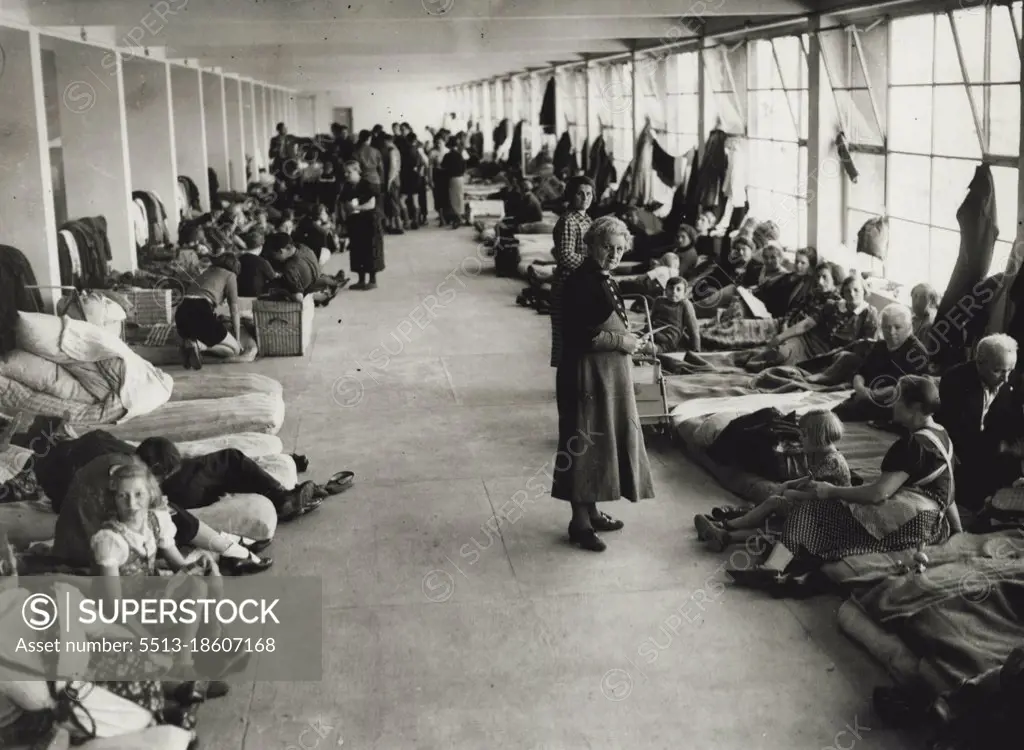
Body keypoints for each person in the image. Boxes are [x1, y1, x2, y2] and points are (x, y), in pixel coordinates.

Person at [729, 376, 962, 589]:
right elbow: (947, 489)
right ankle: (785, 558)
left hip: (911, 523)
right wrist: (957, 530)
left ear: (916, 408)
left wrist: (832, 491)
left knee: (812, 512)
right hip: (935, 528)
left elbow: (878, 494)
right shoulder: (941, 434)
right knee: (825, 518)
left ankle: (773, 569)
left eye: (898, 399)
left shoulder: (913, 446)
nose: (892, 404)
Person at [554, 216, 656, 552]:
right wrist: (620, 341)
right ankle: (579, 523)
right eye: (606, 247)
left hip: (607, 373)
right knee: (584, 443)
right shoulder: (580, 281)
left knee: (602, 442)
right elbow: (578, 334)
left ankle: (593, 510)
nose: (613, 255)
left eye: (618, 249)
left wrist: (629, 340)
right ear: (591, 245)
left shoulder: (601, 277)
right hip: (586, 373)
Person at [46, 428, 272, 576]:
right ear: (153, 470)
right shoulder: (124, 475)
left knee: (164, 511)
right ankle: (227, 547)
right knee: (167, 512)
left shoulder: (121, 461)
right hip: (85, 550)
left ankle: (225, 546)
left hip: (81, 540)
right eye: (160, 479)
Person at [694, 410, 850, 551]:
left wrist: (793, 494)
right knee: (776, 516)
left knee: (776, 510)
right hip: (816, 508)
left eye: (804, 435)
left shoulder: (832, 461)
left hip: (828, 517)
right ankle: (724, 534)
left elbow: (820, 494)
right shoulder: (818, 455)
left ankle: (726, 528)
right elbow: (812, 478)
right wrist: (791, 484)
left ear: (818, 438)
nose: (800, 438)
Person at [136, 437, 323, 523]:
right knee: (230, 459)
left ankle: (282, 495)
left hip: (179, 491)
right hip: (179, 488)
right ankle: (282, 497)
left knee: (222, 475)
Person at [936, 334, 1024, 511]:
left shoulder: (1012, 383)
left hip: (993, 451)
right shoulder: (955, 380)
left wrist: (1013, 446)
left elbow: (1013, 422)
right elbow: (955, 432)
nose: (1006, 379)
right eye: (998, 371)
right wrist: (999, 448)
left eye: (1010, 370)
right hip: (961, 453)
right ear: (979, 362)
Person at [832, 303, 931, 422]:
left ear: (909, 327)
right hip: (867, 395)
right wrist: (860, 388)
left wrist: (870, 394)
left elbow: (900, 388)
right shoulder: (880, 345)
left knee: (839, 414)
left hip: (895, 405)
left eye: (897, 327)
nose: (891, 332)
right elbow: (861, 371)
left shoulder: (917, 353)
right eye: (886, 327)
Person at [742, 261, 844, 371]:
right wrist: (785, 323)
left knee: (779, 354)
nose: (820, 281)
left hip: (803, 338)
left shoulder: (834, 302)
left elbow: (806, 325)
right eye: (818, 277)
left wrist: (783, 336)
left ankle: (749, 362)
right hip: (786, 326)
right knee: (747, 326)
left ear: (834, 279)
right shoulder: (814, 293)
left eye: (825, 277)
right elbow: (794, 310)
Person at [549, 176, 596, 368]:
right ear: (571, 195)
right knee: (566, 339)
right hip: (568, 284)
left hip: (580, 282)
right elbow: (566, 256)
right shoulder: (569, 220)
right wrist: (593, 264)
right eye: (580, 193)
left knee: (577, 336)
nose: (585, 197)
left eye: (589, 193)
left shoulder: (586, 219)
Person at [174, 252, 242, 370]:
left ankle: (189, 343)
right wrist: (237, 339)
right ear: (235, 268)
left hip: (181, 311)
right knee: (234, 350)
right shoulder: (230, 275)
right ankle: (200, 346)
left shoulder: (207, 272)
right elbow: (234, 311)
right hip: (200, 310)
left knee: (203, 330)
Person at [339, 160, 384, 290]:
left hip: (370, 221)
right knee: (357, 250)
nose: (347, 175)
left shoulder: (367, 185)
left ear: (357, 171)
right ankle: (361, 279)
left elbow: (371, 204)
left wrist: (356, 208)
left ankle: (372, 279)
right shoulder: (347, 187)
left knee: (371, 249)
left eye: (349, 172)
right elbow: (343, 202)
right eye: (345, 172)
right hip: (355, 221)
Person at [649, 277, 701, 354]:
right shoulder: (659, 301)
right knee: (633, 339)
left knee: (646, 347)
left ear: (685, 293)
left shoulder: (684, 305)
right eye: (671, 288)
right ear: (665, 290)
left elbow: (693, 330)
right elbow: (650, 320)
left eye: (678, 289)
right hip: (653, 335)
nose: (674, 292)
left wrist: (696, 350)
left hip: (667, 342)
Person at [237, 229, 280, 297]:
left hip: (238, 294)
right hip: (255, 297)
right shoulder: (263, 262)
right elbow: (274, 279)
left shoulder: (237, 258)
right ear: (261, 246)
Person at [441, 136, 467, 229]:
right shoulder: (460, 155)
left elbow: (443, 167)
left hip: (452, 178)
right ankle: (460, 216)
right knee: (459, 198)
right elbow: (464, 167)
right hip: (460, 178)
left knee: (453, 199)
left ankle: (458, 218)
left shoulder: (447, 156)